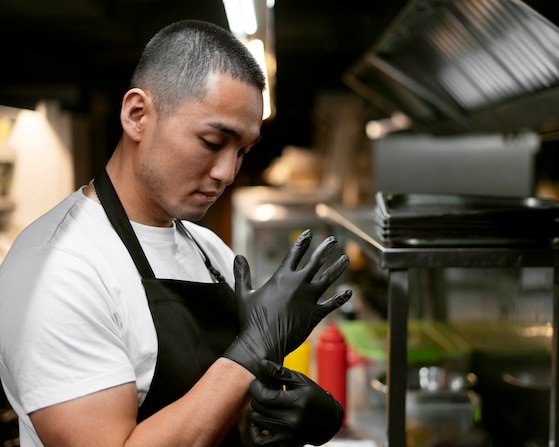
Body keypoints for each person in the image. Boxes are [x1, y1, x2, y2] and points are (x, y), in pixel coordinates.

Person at [0, 20, 351, 447]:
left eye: (242, 150)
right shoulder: (58, 268)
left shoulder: (209, 251)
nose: (227, 172)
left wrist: (284, 416)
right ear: (137, 115)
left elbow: (220, 411)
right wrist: (253, 347)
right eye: (211, 141)